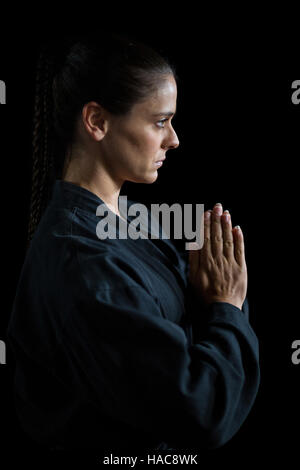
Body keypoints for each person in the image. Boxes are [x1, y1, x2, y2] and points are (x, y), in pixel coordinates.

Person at [6, 33, 260, 454]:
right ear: (97, 122)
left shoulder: (126, 221)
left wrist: (213, 295)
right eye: (160, 121)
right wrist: (227, 306)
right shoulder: (83, 266)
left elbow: (188, 323)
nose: (174, 139)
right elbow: (201, 410)